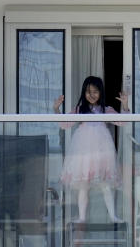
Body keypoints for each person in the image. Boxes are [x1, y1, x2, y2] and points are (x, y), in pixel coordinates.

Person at [54, 76, 129, 223]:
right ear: (83, 93)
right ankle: (82, 217)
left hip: (102, 152)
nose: (92, 95)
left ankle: (113, 216)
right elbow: (64, 124)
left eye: (95, 91)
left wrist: (125, 106)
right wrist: (56, 109)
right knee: (83, 186)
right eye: (88, 91)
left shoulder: (106, 110)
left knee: (106, 186)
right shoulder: (79, 110)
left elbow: (122, 121)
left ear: (101, 93)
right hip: (84, 152)